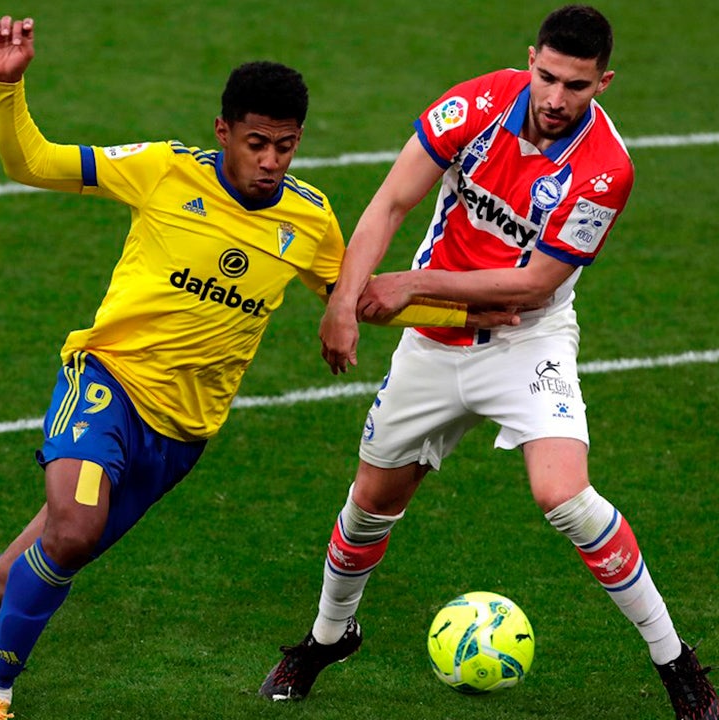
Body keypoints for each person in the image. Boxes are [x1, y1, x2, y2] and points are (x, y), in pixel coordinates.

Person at [0, 16, 518, 720]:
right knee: (71, 532)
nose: (271, 161)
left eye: (286, 147)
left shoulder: (309, 219)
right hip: (104, 381)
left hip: (180, 436)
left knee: (18, 575)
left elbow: (363, 301)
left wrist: (467, 316)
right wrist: (6, 86)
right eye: (258, 143)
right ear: (223, 132)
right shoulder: (162, 171)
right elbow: (31, 162)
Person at [257, 6, 717, 719]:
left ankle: (675, 661)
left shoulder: (605, 171)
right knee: (371, 503)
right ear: (530, 59)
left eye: (578, 86)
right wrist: (343, 302)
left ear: (604, 83)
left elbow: (535, 284)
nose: (557, 98)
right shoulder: (475, 103)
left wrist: (412, 283)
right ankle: (326, 637)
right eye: (548, 77)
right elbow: (389, 202)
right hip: (434, 344)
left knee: (564, 495)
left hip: (527, 341)